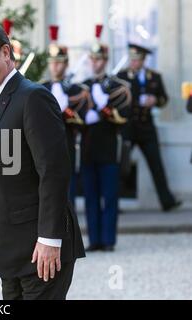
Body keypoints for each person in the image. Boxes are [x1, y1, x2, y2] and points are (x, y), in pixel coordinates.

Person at [0, 20, 84, 300]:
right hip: (11, 252)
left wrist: (50, 239)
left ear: (5, 53)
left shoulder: (33, 98)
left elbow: (53, 172)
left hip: (40, 252)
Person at [81, 25, 132, 252]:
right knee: (91, 197)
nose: (96, 63)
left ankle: (109, 240)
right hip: (88, 149)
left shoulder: (117, 86)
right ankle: (95, 239)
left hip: (109, 147)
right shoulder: (83, 87)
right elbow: (76, 118)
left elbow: (123, 117)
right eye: (93, 59)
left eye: (100, 59)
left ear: (106, 60)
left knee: (110, 197)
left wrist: (104, 108)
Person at [117, 43, 181, 212]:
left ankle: (167, 201)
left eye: (136, 60)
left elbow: (164, 98)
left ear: (143, 60)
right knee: (121, 166)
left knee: (156, 165)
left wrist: (155, 101)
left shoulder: (154, 77)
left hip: (146, 128)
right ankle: (113, 204)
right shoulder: (122, 76)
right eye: (131, 60)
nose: (133, 63)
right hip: (128, 127)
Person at [42, 25, 92, 212]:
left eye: (60, 62)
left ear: (67, 64)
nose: (56, 66)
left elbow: (84, 119)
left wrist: (66, 112)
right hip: (44, 147)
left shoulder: (75, 90)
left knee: (67, 194)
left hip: (66, 144)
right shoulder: (41, 88)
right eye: (53, 62)